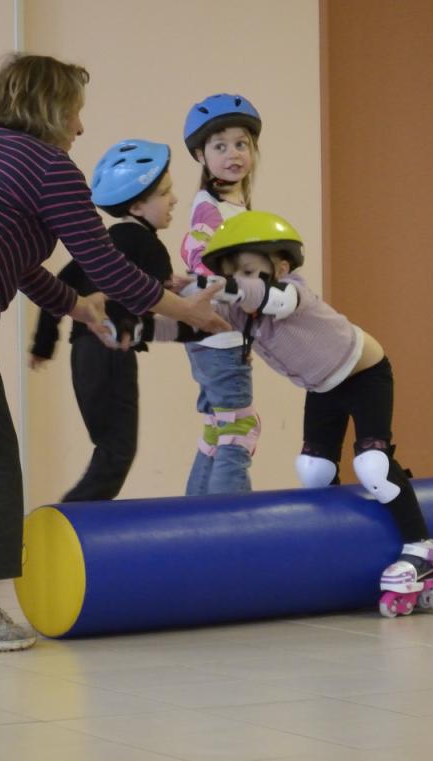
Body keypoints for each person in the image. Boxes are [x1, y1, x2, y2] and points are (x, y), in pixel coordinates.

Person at [0, 54, 230, 655]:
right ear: (53, 107)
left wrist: (79, 308)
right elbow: (108, 262)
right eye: (77, 111)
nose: (80, 128)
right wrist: (183, 309)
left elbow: (23, 263)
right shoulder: (49, 165)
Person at [176, 211, 433, 618]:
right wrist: (139, 323)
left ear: (282, 266)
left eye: (252, 272)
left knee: (373, 465)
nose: (244, 281)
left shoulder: (292, 291)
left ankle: (421, 546)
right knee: (312, 470)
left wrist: (207, 283)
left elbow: (268, 297)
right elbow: (195, 326)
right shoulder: (240, 313)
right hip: (322, 388)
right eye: (235, 274)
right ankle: (343, 539)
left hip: (365, 375)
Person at [29, 139, 178, 502]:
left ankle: (72, 522)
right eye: (165, 193)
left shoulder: (104, 242)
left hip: (85, 353)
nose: (174, 200)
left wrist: (44, 344)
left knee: (108, 447)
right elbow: (161, 295)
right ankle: (70, 522)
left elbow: (59, 287)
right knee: (117, 451)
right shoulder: (148, 246)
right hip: (111, 351)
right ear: (138, 204)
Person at [178, 93, 264, 495]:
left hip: (214, 337)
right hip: (220, 336)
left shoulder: (232, 205)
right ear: (201, 154)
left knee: (218, 427)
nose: (234, 154)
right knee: (240, 428)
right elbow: (196, 256)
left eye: (241, 144)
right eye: (220, 146)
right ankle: (232, 530)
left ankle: (194, 524)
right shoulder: (211, 209)